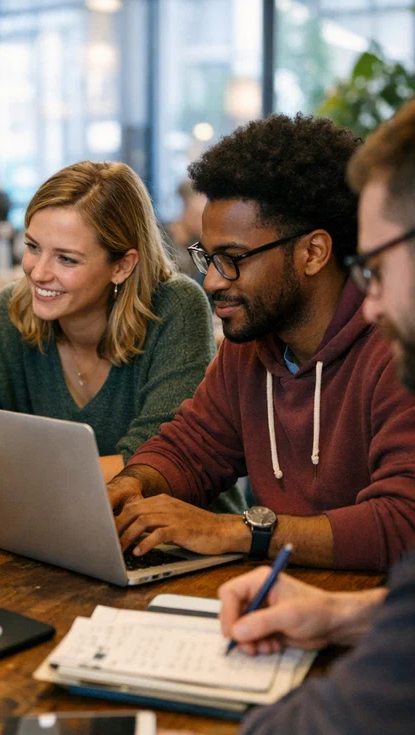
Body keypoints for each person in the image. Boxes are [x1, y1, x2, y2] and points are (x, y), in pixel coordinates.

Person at [108, 114, 415, 571]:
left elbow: (402, 525)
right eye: (208, 258)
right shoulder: (250, 343)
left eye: (232, 259)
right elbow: (194, 448)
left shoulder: (396, 344)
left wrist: (233, 530)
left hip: (369, 613)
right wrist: (133, 484)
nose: (211, 281)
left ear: (313, 252)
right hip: (277, 602)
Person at [219, 99, 415, 735]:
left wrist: (242, 532)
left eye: (381, 266)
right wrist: (344, 616)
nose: (371, 303)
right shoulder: (249, 349)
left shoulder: (394, 360)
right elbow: (189, 443)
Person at [0, 160, 241, 515]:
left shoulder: (175, 307)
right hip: (56, 528)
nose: (38, 273)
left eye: (67, 259)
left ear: (122, 265)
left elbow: (153, 467)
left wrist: (10, 471)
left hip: (186, 543)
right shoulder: (11, 309)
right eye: (32, 247)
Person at [163, 179, 207, 283]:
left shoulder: (201, 246)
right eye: (198, 215)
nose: (203, 222)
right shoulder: (161, 238)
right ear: (185, 208)